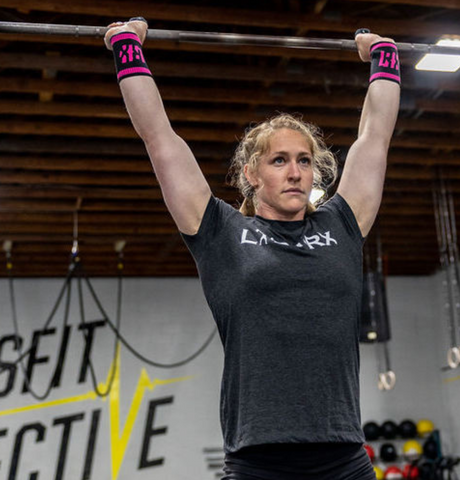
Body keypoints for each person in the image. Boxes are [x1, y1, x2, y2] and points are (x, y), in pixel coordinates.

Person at [105, 19, 400, 480]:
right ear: (251, 174)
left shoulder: (343, 225)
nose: (295, 172)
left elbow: (375, 138)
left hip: (344, 459)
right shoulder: (221, 232)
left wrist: (383, 56)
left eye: (304, 160)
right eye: (279, 160)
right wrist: (127, 48)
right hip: (257, 461)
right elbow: (161, 141)